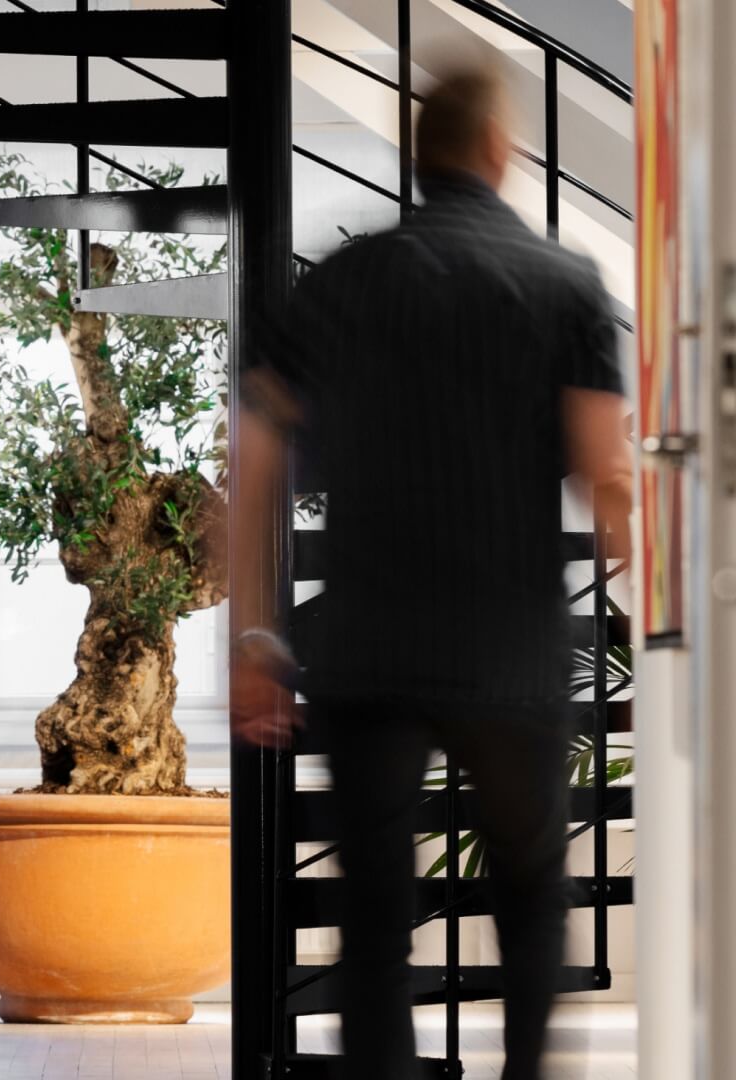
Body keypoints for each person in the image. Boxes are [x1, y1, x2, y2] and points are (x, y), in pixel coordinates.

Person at [227, 64, 635, 1080]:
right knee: (532, 904)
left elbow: (255, 468)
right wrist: (657, 597)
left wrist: (251, 637)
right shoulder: (565, 284)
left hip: (365, 652)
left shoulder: (335, 281)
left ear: (422, 156)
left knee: (375, 922)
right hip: (509, 656)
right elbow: (606, 474)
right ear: (502, 153)